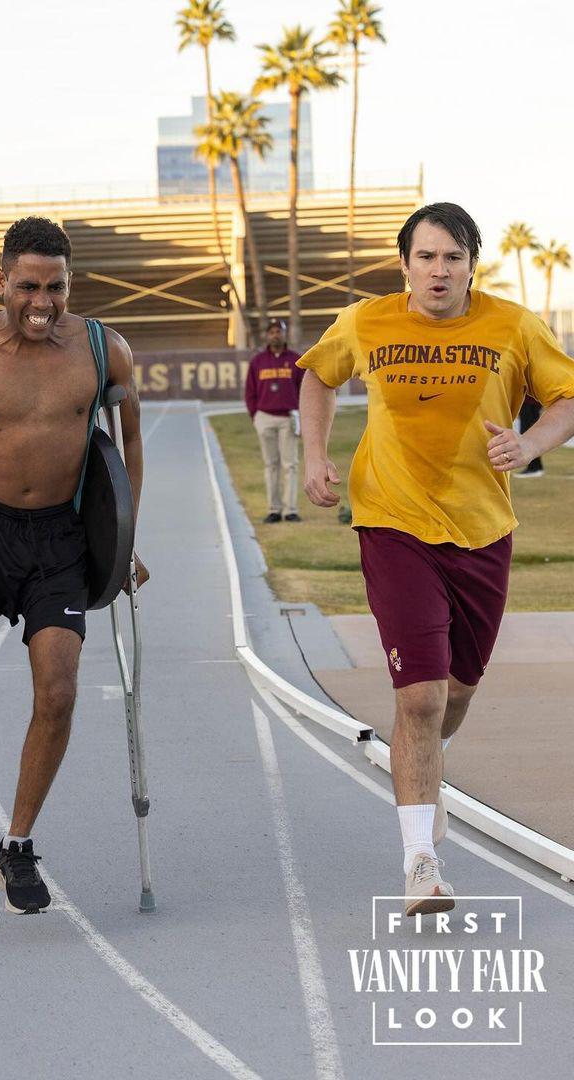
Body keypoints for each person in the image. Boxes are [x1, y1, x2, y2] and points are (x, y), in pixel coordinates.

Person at [297, 203, 574, 917]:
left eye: (453, 257)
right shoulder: (366, 321)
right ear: (405, 265)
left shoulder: (512, 325)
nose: (439, 270)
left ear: (472, 265)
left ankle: (424, 769)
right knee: (418, 697)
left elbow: (567, 397)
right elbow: (318, 377)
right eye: (426, 257)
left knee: (454, 695)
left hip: (482, 531)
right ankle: (421, 861)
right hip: (393, 523)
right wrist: (315, 455)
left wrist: (533, 445)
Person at [0, 216, 148, 914]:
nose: (43, 303)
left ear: (73, 285)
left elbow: (129, 445)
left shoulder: (105, 351)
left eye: (57, 288)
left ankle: (16, 844)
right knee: (28, 670)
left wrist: (127, 540)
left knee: (60, 689)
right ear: (2, 283)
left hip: (63, 536)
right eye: (29, 287)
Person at [244, 318, 304, 523]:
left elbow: (304, 390)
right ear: (267, 336)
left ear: (285, 334)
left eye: (279, 331)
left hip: (288, 418)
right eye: (272, 332)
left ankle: (291, 510)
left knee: (290, 465)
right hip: (265, 418)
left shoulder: (296, 360)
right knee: (271, 465)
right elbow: (250, 392)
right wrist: (256, 416)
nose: (275, 335)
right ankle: (274, 509)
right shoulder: (258, 362)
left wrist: (301, 415)